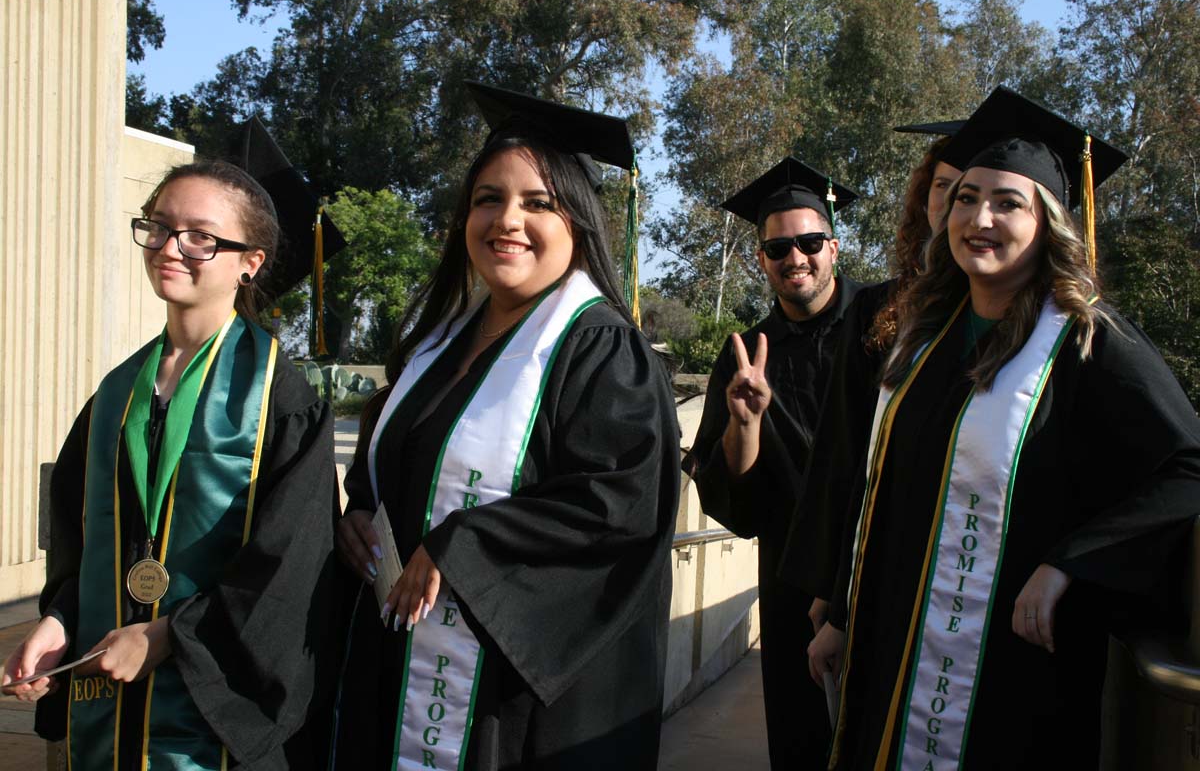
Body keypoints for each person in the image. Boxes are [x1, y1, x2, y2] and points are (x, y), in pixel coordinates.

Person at [812, 86, 1200, 769]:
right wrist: (844, 610)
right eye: (965, 197)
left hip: (1009, 670)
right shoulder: (927, 336)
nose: (978, 217)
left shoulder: (1087, 340)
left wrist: (1069, 562)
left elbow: (1187, 466)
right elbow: (879, 485)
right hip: (892, 639)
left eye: (1006, 202)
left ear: (1049, 221)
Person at [329, 82, 680, 771]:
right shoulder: (436, 343)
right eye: (488, 198)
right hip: (400, 658)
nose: (507, 220)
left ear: (576, 222)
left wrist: (464, 545)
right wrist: (360, 513)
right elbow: (397, 466)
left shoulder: (600, 348)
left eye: (537, 203)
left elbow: (618, 508)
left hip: (509, 694)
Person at [1, 160, 339, 770]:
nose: (170, 248)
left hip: (215, 724)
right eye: (158, 227)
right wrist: (57, 621)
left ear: (250, 262)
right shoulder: (114, 395)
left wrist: (169, 637)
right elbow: (81, 542)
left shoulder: (280, 401)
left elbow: (291, 573)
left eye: (201, 237)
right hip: (109, 713)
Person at [683, 157, 865, 769]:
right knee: (803, 738)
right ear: (762, 258)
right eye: (778, 247)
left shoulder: (888, 327)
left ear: (834, 248)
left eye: (810, 242)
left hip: (884, 561)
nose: (796, 257)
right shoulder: (742, 359)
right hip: (792, 582)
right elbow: (734, 495)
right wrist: (745, 423)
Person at [780, 121, 964, 640]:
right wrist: (834, 590)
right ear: (923, 200)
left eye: (979, 190)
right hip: (883, 571)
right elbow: (844, 457)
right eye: (945, 187)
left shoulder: (1057, 329)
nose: (963, 206)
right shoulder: (877, 312)